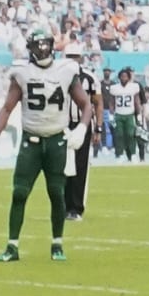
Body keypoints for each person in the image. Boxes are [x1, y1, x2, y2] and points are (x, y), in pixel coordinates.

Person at [0, 28, 91, 263]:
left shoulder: (67, 70)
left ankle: (57, 244)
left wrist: (82, 129)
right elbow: (7, 107)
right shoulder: (22, 72)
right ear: (30, 48)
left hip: (57, 139)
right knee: (19, 192)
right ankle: (12, 246)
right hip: (31, 140)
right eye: (38, 45)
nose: (43, 49)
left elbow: (85, 104)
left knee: (57, 193)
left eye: (46, 44)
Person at [63, 45, 100, 222]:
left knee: (80, 165)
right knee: (61, 166)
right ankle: (63, 205)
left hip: (82, 124)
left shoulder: (89, 78)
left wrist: (98, 127)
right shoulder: (58, 75)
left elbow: (98, 103)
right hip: (62, 124)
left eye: (75, 57)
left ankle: (76, 208)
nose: (72, 60)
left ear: (81, 58)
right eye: (69, 56)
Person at [108, 68, 141, 162]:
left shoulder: (134, 87)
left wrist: (138, 114)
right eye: (122, 76)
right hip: (118, 114)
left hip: (129, 114)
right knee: (119, 135)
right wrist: (111, 114)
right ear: (119, 77)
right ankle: (120, 154)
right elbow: (111, 102)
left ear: (129, 77)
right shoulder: (114, 88)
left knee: (131, 134)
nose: (123, 78)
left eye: (125, 76)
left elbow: (137, 101)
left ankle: (133, 153)